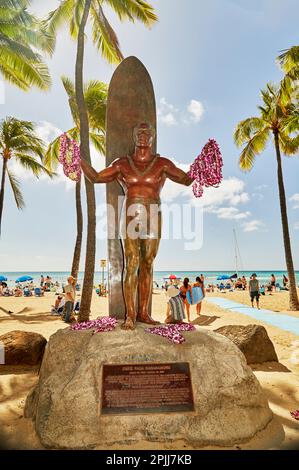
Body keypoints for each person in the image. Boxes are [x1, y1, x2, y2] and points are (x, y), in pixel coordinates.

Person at [81, 122, 193, 330]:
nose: (142, 135)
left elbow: (186, 180)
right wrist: (77, 161)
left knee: (148, 262)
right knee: (132, 263)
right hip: (131, 213)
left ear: (152, 137)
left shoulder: (163, 164)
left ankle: (144, 313)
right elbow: (96, 177)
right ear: (134, 136)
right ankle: (130, 315)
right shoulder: (122, 163)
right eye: (138, 132)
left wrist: (204, 167)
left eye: (146, 132)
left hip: (153, 214)